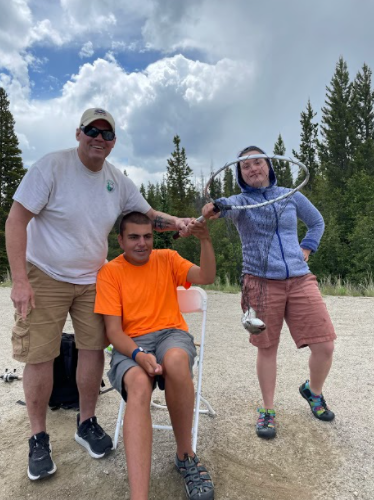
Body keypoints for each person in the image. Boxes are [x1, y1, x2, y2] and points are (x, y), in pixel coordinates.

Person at [5, 108, 191, 481]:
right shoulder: (51, 167)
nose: (99, 139)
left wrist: (181, 224)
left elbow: (148, 214)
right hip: (45, 274)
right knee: (40, 355)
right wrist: (21, 280)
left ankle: (86, 422)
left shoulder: (116, 181)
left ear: (114, 142)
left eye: (106, 134)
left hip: (94, 277)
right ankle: (38, 437)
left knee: (92, 350)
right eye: (92, 130)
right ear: (79, 133)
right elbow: (16, 220)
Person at [202, 145, 336, 439]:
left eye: (258, 162)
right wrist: (213, 208)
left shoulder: (290, 195)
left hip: (299, 279)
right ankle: (267, 410)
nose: (253, 169)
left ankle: (312, 392)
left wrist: (306, 249)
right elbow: (219, 206)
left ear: (269, 166)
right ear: (240, 174)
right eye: (246, 166)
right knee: (267, 348)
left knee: (325, 345)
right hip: (260, 282)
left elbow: (316, 222)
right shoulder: (238, 202)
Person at [94, 211, 215, 500]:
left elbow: (207, 276)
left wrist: (205, 240)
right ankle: (139, 496)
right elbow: (113, 332)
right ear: (121, 240)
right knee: (137, 384)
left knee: (175, 361)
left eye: (147, 236)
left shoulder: (167, 258)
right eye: (134, 237)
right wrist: (137, 354)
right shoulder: (110, 272)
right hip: (130, 342)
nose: (142, 243)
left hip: (170, 333)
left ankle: (185, 455)